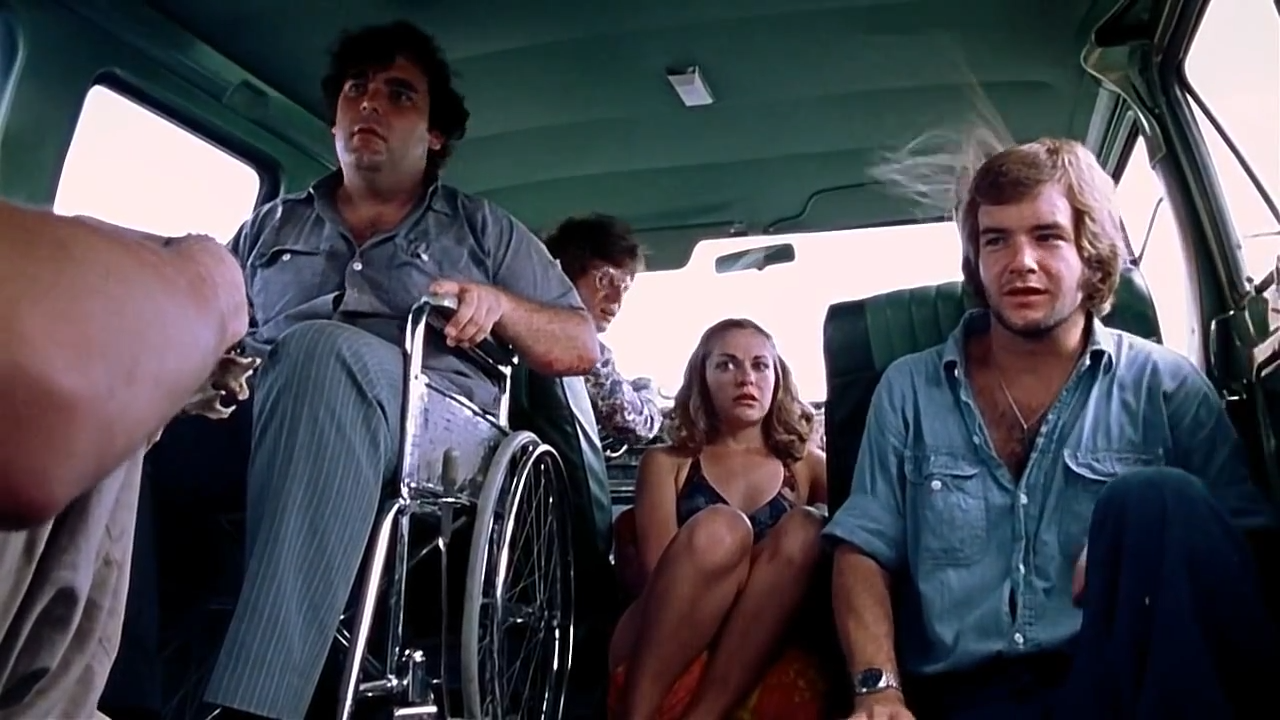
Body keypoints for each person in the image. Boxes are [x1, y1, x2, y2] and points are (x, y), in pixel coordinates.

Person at [111, 20, 600, 720]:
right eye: (356, 89)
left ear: (435, 135)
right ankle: (113, 696)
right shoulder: (272, 227)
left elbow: (580, 345)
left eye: (399, 94)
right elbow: (209, 323)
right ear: (335, 119)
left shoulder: (482, 229)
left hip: (426, 432)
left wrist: (499, 305)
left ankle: (257, 708)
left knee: (319, 353)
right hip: (259, 406)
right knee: (120, 410)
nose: (369, 103)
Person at [825, 136, 1279, 720]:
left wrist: (1133, 540)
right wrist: (878, 689)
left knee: (1154, 498)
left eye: (1047, 236)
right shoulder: (909, 389)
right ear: (976, 259)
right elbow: (863, 549)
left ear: (1091, 254)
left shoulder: (1166, 386)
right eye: (996, 240)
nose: (1021, 262)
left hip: (1120, 682)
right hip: (963, 699)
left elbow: (1246, 554)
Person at [0, 202, 249, 718]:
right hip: (238, 397)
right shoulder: (273, 225)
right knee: (135, 395)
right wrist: (213, 279)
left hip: (325, 407)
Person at [608, 318, 828, 720]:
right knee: (722, 529)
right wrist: (742, 565)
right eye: (726, 365)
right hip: (667, 625)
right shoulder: (666, 462)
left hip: (758, 633)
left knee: (806, 528)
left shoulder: (807, 466)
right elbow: (661, 578)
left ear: (777, 379)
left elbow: (857, 538)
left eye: (760, 365)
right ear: (702, 378)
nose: (746, 378)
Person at [543, 213, 664, 445]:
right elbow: (637, 424)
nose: (617, 299)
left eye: (625, 288)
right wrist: (648, 391)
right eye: (605, 280)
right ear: (564, 277)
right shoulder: (576, 343)